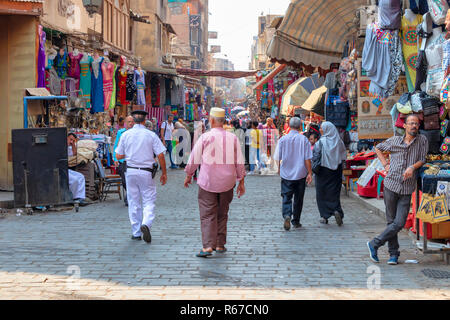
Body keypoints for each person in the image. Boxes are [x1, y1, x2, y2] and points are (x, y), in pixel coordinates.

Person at [184, 107, 246, 258]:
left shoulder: (205, 137)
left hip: (208, 182)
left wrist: (189, 174)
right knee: (222, 213)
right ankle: (220, 244)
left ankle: (207, 247)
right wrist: (241, 181)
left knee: (207, 214)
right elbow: (239, 162)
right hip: (227, 183)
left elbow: (194, 158)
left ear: (211, 120)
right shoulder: (233, 138)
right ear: (223, 121)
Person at [367, 114, 428, 265]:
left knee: (399, 222)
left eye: (416, 123)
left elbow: (423, 159)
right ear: (405, 126)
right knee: (391, 222)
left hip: (407, 188)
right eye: (411, 123)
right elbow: (378, 148)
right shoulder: (394, 141)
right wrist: (385, 165)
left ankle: (374, 243)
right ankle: (393, 254)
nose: (414, 126)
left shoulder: (422, 141)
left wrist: (412, 167)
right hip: (391, 185)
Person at [115, 110, 168, 243]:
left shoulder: (126, 135)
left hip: (131, 171)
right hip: (146, 172)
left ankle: (136, 232)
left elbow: (118, 156)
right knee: (148, 200)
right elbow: (161, 155)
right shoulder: (151, 135)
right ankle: (146, 223)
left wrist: (131, 153)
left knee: (133, 201)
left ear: (133, 120)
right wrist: (164, 173)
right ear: (145, 120)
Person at [274, 117, 313, 230]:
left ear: (289, 126)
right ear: (300, 126)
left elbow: (277, 157)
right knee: (298, 198)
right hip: (300, 173)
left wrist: (279, 169)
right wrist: (309, 173)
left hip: (286, 173)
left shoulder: (283, 139)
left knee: (286, 196)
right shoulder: (304, 140)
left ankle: (287, 215)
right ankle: (296, 220)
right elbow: (307, 159)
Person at [313, 122, 347, 226]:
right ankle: (336, 211)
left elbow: (315, 156)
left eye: (322, 128)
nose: (320, 130)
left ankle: (324, 216)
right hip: (336, 171)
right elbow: (343, 156)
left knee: (321, 193)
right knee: (334, 192)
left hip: (322, 171)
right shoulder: (339, 142)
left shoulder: (320, 142)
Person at [113, 115, 135, 206]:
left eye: (132, 121)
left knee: (131, 180)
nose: (130, 123)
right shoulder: (121, 133)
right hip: (122, 160)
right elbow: (116, 146)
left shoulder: (136, 133)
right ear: (125, 123)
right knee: (124, 180)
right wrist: (115, 158)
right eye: (128, 122)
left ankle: (129, 196)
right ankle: (129, 194)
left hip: (133, 160)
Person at [67, 133, 87, 206]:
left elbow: (74, 153)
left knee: (81, 176)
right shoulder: (61, 146)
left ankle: (80, 198)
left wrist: (73, 144)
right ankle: (74, 198)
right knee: (74, 180)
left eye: (73, 140)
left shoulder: (70, 147)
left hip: (66, 169)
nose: (71, 141)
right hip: (60, 170)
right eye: (70, 139)